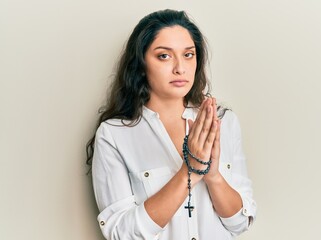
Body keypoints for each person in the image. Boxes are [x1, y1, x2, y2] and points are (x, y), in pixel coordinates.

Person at [86, 9, 256, 240]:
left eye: (188, 55)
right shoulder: (114, 134)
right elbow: (122, 233)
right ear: (141, 63)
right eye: (164, 56)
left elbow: (239, 223)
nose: (180, 68)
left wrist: (213, 175)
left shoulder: (223, 121)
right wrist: (190, 170)